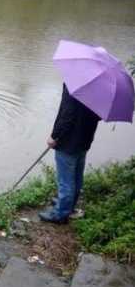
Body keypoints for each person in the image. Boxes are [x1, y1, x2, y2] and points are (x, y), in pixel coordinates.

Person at [39, 83, 100, 224]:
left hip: (68, 143)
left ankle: (60, 214)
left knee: (65, 182)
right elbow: (98, 116)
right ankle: (69, 204)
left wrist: (54, 136)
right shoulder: (98, 88)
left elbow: (67, 114)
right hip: (85, 140)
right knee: (77, 177)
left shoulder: (72, 84)